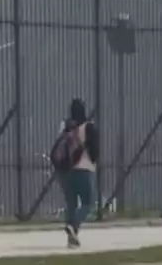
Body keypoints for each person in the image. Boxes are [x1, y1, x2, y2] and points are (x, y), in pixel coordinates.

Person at [49, 97, 98, 248]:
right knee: (88, 203)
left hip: (66, 172)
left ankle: (72, 240)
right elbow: (95, 150)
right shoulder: (88, 127)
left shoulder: (66, 127)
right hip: (84, 169)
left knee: (71, 203)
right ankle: (74, 225)